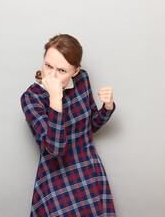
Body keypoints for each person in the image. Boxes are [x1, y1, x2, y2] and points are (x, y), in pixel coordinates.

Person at [21, 34, 116, 217]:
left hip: (88, 169)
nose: (52, 76)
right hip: (56, 178)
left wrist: (107, 107)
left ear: (75, 71)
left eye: (62, 70)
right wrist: (55, 99)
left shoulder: (82, 80)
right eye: (48, 66)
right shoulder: (31, 98)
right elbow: (55, 149)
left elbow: (91, 126)